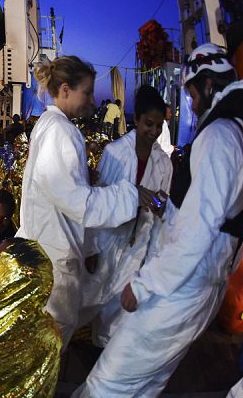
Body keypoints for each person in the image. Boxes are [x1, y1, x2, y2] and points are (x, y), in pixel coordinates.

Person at [78, 43, 243, 397]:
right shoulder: (239, 139)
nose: (192, 104)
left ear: (208, 86)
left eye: (192, 95)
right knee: (147, 383)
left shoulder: (219, 136)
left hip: (181, 285)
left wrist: (145, 284)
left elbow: (198, 229)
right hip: (193, 283)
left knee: (108, 381)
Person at [17, 55, 150, 347]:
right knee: (52, 341)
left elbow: (59, 187)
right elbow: (78, 202)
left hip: (49, 246)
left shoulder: (50, 124)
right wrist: (131, 195)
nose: (92, 100)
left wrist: (82, 177)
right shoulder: (61, 131)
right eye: (87, 92)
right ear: (65, 90)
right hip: (54, 254)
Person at [78, 85, 172, 345]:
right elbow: (97, 201)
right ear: (137, 119)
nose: (154, 131)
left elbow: (161, 213)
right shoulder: (115, 152)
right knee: (87, 301)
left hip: (136, 248)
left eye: (159, 126)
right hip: (106, 241)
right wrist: (90, 248)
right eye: (149, 124)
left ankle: (103, 357)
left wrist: (159, 208)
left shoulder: (164, 163)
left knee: (117, 317)